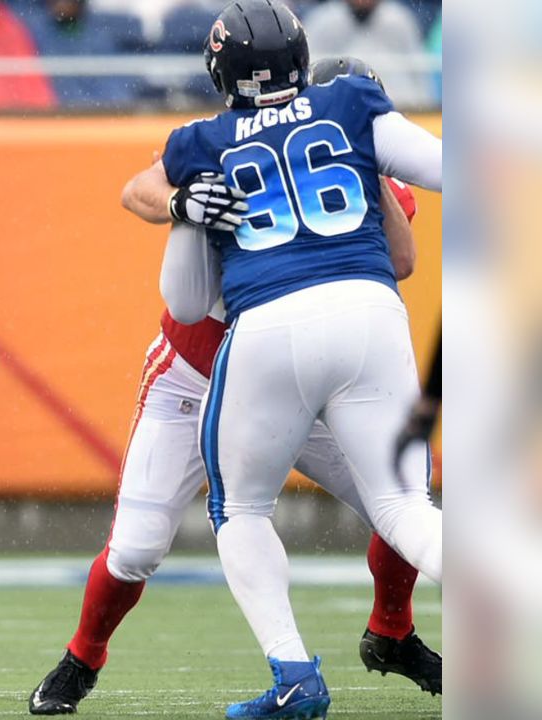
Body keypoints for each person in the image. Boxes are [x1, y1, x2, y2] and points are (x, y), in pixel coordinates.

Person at [28, 65, 439, 712]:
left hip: (296, 380)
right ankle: (83, 656)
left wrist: (372, 176)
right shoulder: (228, 150)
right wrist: (177, 204)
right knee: (134, 548)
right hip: (196, 374)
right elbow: (138, 188)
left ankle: (391, 631)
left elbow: (404, 259)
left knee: (399, 500)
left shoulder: (348, 162)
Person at [302, 0, 430, 108]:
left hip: (395, 109)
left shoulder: (399, 21)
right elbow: (310, 78)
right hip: (338, 111)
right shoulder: (323, 22)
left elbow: (419, 81)